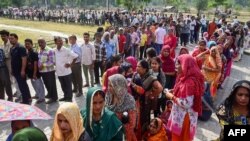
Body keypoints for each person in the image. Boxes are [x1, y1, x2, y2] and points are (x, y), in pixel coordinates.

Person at [165, 54, 204, 141]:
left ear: (185, 65)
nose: (176, 66)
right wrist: (174, 91)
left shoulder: (189, 82)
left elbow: (186, 103)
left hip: (184, 118)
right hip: (181, 115)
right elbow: (184, 92)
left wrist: (171, 97)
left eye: (179, 63)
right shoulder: (185, 77)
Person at [131, 60, 163, 139]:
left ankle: (144, 136)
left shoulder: (151, 78)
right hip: (137, 102)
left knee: (144, 120)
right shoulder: (136, 75)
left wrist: (152, 95)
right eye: (137, 66)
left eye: (139, 67)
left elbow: (160, 88)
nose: (137, 68)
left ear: (145, 69)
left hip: (146, 104)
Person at [106, 74, 137, 141]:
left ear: (119, 86)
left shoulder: (129, 100)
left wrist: (117, 127)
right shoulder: (108, 96)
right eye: (108, 85)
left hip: (123, 135)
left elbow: (132, 124)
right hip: (108, 133)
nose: (109, 88)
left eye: (111, 86)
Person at [9, 33, 31, 104]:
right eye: (10, 39)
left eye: (12, 38)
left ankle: (25, 101)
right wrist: (12, 69)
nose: (10, 40)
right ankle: (29, 98)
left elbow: (24, 59)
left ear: (16, 38)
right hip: (15, 70)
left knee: (22, 85)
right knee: (22, 85)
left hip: (20, 71)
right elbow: (12, 59)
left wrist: (23, 70)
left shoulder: (21, 47)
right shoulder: (12, 48)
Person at [54, 37, 77, 102]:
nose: (61, 42)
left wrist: (71, 64)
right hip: (59, 72)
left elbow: (75, 56)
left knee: (68, 86)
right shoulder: (54, 50)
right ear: (55, 42)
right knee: (63, 86)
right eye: (58, 41)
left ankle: (69, 98)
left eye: (61, 41)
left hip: (67, 72)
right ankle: (65, 96)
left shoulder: (66, 50)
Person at [24, 39, 45, 104]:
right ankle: (37, 95)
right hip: (30, 73)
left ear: (32, 45)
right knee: (34, 85)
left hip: (35, 73)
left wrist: (34, 73)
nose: (27, 45)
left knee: (39, 85)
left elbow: (35, 64)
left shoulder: (34, 53)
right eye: (26, 44)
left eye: (28, 44)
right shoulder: (27, 53)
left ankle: (42, 98)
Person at [38, 38, 58, 104]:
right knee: (46, 84)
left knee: (51, 85)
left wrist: (43, 65)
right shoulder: (39, 50)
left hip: (49, 71)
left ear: (45, 42)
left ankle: (54, 98)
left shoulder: (50, 50)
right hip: (43, 72)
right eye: (39, 43)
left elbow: (52, 62)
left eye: (42, 42)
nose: (40, 44)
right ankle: (50, 94)